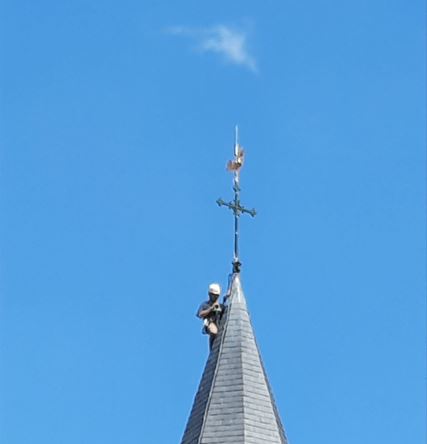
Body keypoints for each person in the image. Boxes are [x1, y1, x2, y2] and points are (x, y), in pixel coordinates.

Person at [197, 283, 224, 349]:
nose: (215, 297)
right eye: (214, 295)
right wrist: (211, 309)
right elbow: (200, 314)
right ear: (210, 294)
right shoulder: (205, 305)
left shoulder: (220, 306)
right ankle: (212, 348)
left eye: (217, 296)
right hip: (210, 323)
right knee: (214, 332)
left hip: (219, 324)